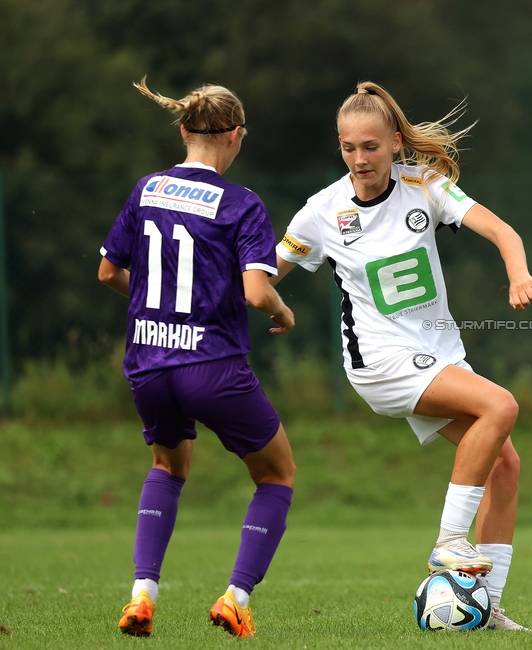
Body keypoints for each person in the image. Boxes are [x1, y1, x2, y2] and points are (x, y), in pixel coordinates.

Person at [273, 82, 532, 630]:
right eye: (348, 148)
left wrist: (518, 273)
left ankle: (483, 606)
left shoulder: (424, 184)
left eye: (370, 146)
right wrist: (257, 301)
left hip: (434, 353)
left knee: (506, 465)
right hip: (379, 362)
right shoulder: (321, 211)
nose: (359, 158)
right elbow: (265, 275)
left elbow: (502, 230)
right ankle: (448, 542)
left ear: (395, 143)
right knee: (501, 406)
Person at [99, 78, 297, 638]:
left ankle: (141, 596)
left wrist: (149, 302)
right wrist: (282, 312)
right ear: (237, 137)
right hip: (213, 364)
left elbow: (108, 272)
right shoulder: (243, 203)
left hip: (148, 362)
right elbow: (258, 292)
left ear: (183, 129)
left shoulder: (146, 190)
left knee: (166, 467)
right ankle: (235, 597)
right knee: (277, 475)